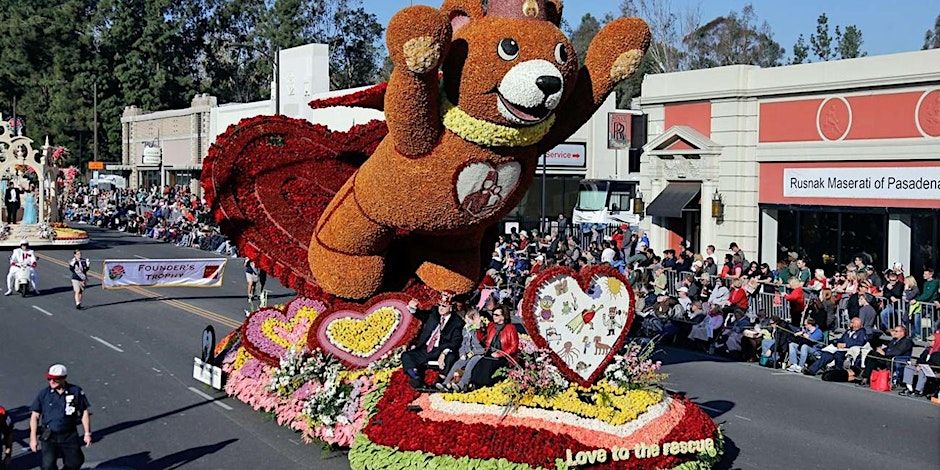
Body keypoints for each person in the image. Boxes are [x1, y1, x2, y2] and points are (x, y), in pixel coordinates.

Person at [29, 364, 92, 470]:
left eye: (55, 379)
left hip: (69, 434)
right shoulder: (44, 394)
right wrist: (33, 438)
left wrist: (87, 433)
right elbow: (35, 416)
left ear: (64, 378)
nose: (51, 381)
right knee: (48, 466)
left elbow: (84, 412)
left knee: (76, 461)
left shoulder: (75, 391)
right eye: (49, 378)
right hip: (49, 435)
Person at [402, 292, 465, 388]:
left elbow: (455, 342)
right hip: (425, 348)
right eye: (439, 305)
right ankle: (415, 377)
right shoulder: (434, 312)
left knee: (450, 356)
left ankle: (441, 382)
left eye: (444, 306)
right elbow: (421, 314)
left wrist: (443, 353)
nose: (441, 308)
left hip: (440, 350)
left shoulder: (457, 322)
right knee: (406, 356)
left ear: (451, 307)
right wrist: (413, 308)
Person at [469, 304, 519, 388]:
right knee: (480, 363)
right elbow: (483, 340)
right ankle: (475, 384)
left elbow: (514, 347)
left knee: (489, 364)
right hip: (490, 354)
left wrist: (500, 354)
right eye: (493, 314)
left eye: (496, 315)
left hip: (504, 357)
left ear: (503, 316)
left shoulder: (511, 328)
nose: (494, 316)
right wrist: (479, 329)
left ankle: (485, 385)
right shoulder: (491, 326)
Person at [438, 308, 486, 391]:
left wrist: (477, 328)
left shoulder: (479, 330)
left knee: (469, 366)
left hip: (478, 353)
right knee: (457, 364)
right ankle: (445, 383)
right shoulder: (466, 329)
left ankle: (462, 384)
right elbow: (463, 343)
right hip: (467, 353)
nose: (466, 323)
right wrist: (462, 353)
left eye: (468, 320)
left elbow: (483, 346)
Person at [899, 327, 940, 397]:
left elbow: (936, 363)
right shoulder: (927, 350)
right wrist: (917, 364)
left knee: (922, 371)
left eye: (931, 341)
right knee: (909, 367)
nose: (929, 342)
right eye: (928, 340)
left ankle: (918, 391)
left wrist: (922, 366)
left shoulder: (938, 352)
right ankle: (909, 388)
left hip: (934, 370)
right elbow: (920, 359)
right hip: (923, 367)